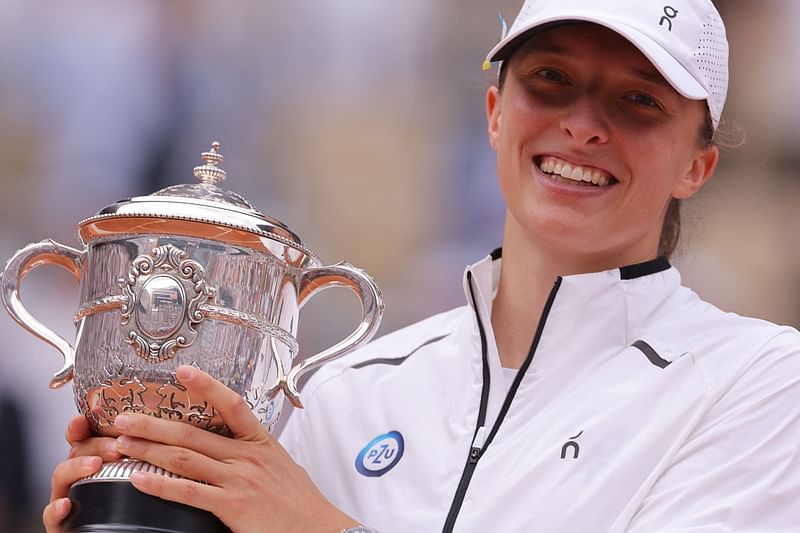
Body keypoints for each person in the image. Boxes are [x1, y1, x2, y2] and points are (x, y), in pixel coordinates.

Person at [44, 0, 800, 531]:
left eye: (638, 100)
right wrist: (141, 503)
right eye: (552, 80)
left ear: (696, 166)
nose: (582, 125)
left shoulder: (760, 382)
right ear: (496, 115)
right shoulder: (344, 395)